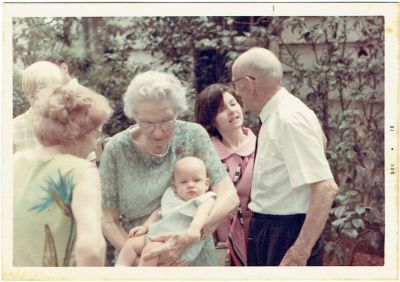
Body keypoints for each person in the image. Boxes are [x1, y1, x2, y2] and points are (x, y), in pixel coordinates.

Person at [100, 70, 239, 266]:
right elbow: (108, 219)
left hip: (193, 260)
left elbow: (228, 196)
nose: (158, 133)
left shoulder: (193, 135)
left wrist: (191, 237)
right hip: (139, 263)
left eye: (166, 121)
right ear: (134, 116)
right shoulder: (116, 150)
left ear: (176, 111)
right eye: (147, 123)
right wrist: (143, 257)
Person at [231, 47, 338, 266]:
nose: (237, 92)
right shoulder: (280, 114)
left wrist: (300, 251)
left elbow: (325, 188)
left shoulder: (289, 118)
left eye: (236, 83)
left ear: (250, 82)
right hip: (270, 231)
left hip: (286, 233)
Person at [13, 83, 113, 266]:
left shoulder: (12, 162)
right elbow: (91, 249)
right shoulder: (81, 171)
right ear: (77, 134)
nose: (95, 144)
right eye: (96, 135)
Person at [194, 83, 256, 266]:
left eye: (233, 104)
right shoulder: (204, 155)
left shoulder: (262, 146)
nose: (231, 111)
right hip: (218, 239)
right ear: (210, 119)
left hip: (258, 235)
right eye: (221, 109)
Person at [116, 156, 216, 266]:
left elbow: (202, 214)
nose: (190, 185)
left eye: (196, 180)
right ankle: (120, 272)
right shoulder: (171, 196)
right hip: (155, 235)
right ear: (175, 186)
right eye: (184, 182)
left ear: (206, 184)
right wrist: (145, 227)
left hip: (177, 242)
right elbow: (159, 212)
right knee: (130, 245)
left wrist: (194, 229)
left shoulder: (205, 199)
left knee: (150, 251)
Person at [13, 61, 64, 153]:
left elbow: (88, 163)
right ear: (28, 95)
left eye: (56, 92)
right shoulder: (11, 130)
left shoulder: (70, 123)